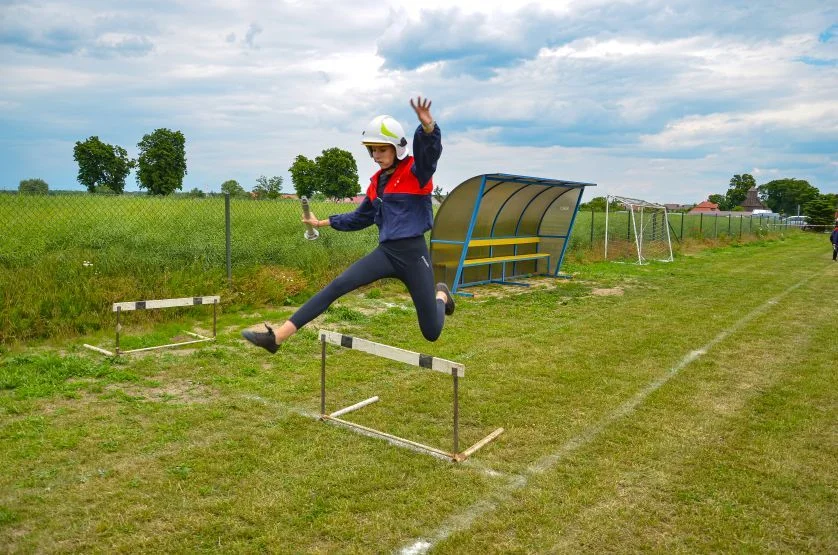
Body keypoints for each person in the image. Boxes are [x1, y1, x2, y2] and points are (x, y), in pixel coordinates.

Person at [242, 96, 454, 354]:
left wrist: (428, 128)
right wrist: (321, 221)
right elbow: (359, 217)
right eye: (372, 150)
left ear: (397, 148)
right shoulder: (377, 184)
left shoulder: (417, 173)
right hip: (387, 253)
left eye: (381, 150)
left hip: (414, 254)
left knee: (431, 332)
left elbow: (429, 154)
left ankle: (441, 296)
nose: (376, 156)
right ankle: (276, 338)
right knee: (338, 284)